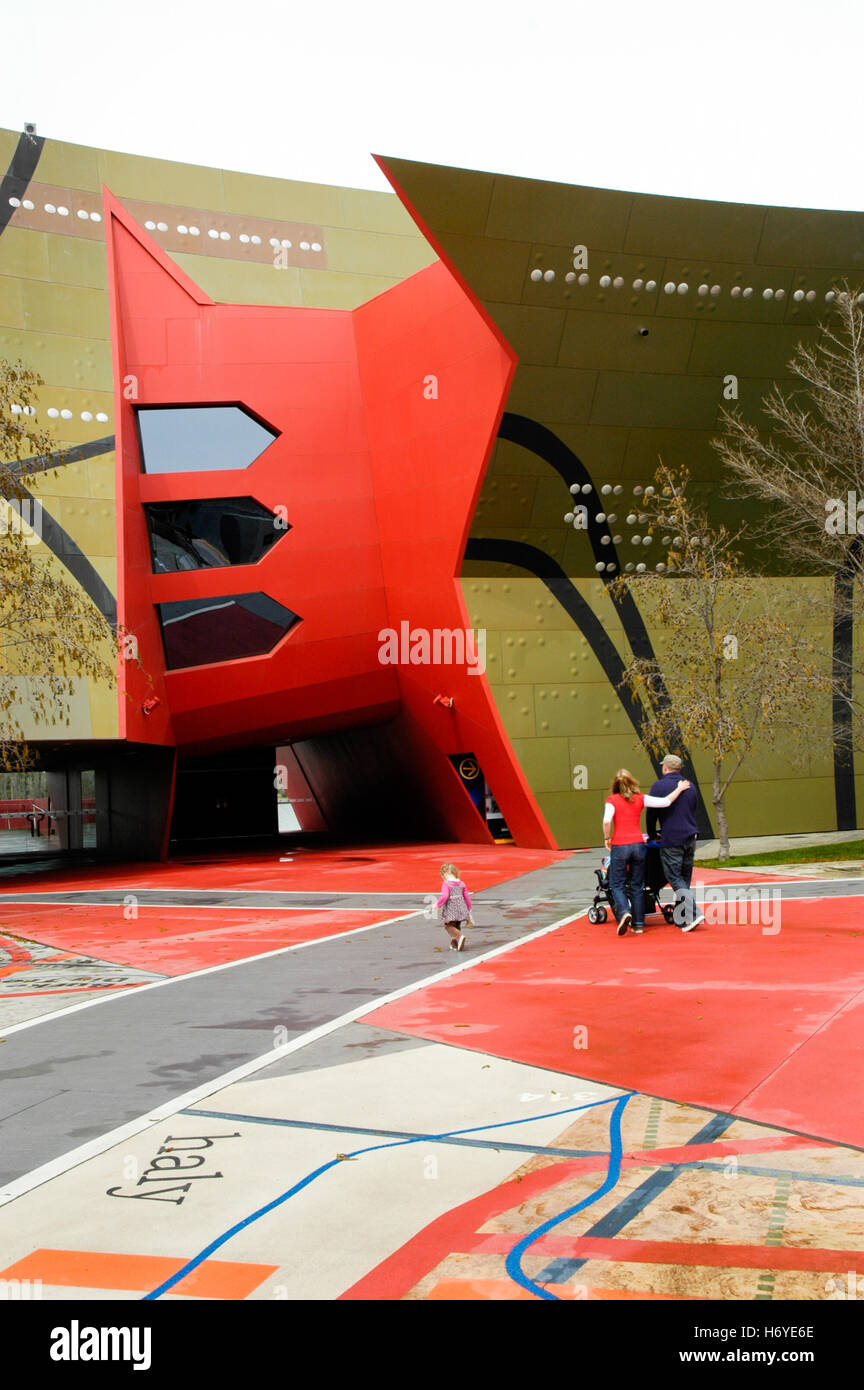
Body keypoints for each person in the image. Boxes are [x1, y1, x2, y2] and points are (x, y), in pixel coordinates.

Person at [603, 769, 691, 935]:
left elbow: (607, 821)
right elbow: (665, 802)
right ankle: (638, 924)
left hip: (620, 845)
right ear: (632, 783)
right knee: (637, 885)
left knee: (617, 884)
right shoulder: (641, 798)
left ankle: (624, 912)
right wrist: (679, 788)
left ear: (615, 784)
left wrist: (607, 837)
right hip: (638, 845)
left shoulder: (611, 800)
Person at [647, 754, 704, 931]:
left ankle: (694, 913)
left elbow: (652, 814)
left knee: (674, 877)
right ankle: (681, 918)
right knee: (684, 878)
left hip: (671, 838)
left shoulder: (659, 786)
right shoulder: (691, 787)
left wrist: (651, 834)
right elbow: (692, 809)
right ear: (679, 768)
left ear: (665, 768)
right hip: (690, 836)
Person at [436, 863, 473, 951]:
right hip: (461, 908)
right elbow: (467, 897)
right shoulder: (461, 883)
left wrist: (437, 904)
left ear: (443, 874)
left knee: (448, 926)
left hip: (451, 908)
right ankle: (455, 944)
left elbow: (445, 896)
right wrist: (468, 908)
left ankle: (459, 937)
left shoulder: (446, 884)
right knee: (456, 925)